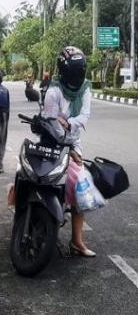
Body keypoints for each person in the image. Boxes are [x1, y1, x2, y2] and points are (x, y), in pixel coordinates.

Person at [43, 46, 94, 257]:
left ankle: (77, 241)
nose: (76, 77)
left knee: (80, 186)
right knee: (29, 174)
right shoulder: (53, 91)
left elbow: (84, 116)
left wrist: (68, 123)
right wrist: (63, 126)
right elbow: (52, 123)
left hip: (73, 145)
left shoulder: (86, 89)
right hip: (51, 143)